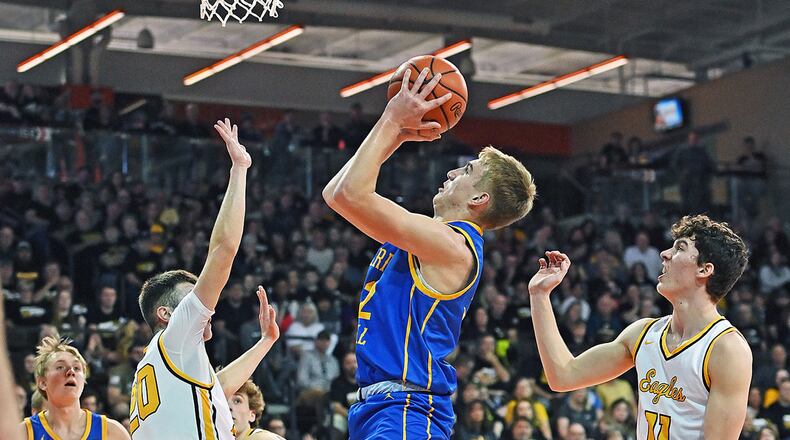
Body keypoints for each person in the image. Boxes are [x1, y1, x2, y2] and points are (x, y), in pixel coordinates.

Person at [323, 68, 537, 439]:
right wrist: (397, 135)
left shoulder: (453, 246)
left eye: (467, 170)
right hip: (381, 407)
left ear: (478, 199)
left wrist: (392, 119)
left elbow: (351, 195)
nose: (453, 171)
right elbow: (336, 194)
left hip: (407, 410)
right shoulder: (428, 239)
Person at [529, 214, 752, 439]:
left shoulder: (727, 349)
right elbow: (563, 376)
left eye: (679, 249)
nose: (665, 254)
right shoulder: (643, 333)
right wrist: (539, 295)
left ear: (704, 270)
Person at [130, 119, 280, 439]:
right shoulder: (176, 335)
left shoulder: (163, 359)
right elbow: (223, 251)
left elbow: (220, 386)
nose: (206, 303)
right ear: (167, 314)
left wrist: (266, 341)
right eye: (192, 295)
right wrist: (239, 169)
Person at [19, 336, 129, 439]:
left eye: (76, 368)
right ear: (42, 382)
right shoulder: (22, 434)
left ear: (83, 381)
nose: (70, 371)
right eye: (60, 367)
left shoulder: (112, 432)